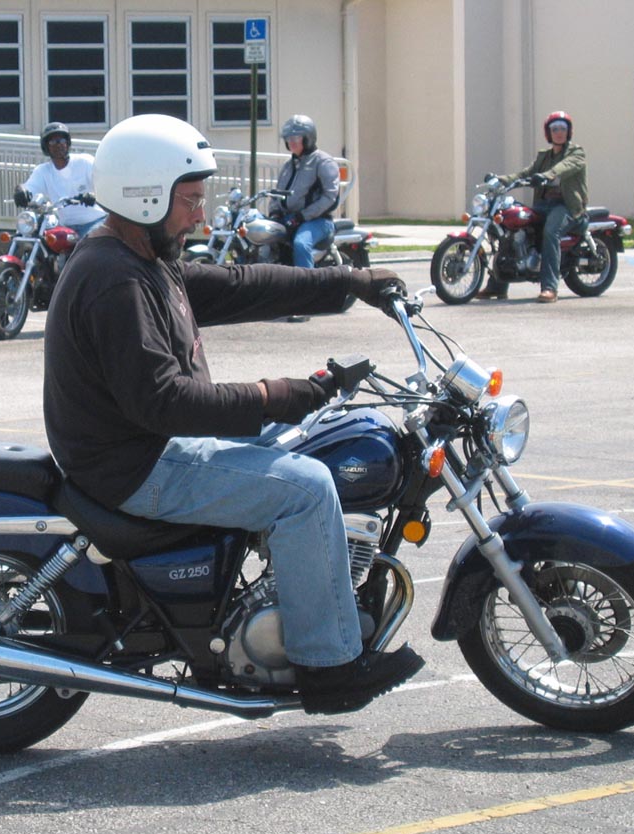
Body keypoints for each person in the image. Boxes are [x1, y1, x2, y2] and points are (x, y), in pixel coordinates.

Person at [43, 114, 425, 715]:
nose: (200, 216)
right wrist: (276, 394)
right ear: (146, 195)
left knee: (308, 438)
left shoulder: (140, 257)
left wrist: (348, 283)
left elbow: (239, 284)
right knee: (307, 489)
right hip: (136, 464)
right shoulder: (115, 280)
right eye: (191, 201)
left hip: (145, 444)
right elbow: (165, 402)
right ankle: (329, 666)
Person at [478, 110, 588, 304]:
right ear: (548, 132)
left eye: (563, 128)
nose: (559, 132)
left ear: (569, 131)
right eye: (555, 129)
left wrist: (546, 176)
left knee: (551, 232)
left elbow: (564, 167)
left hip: (566, 206)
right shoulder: (544, 157)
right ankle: (497, 285)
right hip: (543, 205)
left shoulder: (576, 153)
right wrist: (500, 179)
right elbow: (525, 173)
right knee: (509, 228)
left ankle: (550, 288)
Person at [269, 114, 341, 268]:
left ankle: (307, 281)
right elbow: (276, 194)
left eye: (296, 138)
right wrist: (274, 213)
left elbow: (330, 197)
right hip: (289, 219)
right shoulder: (289, 165)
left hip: (318, 221)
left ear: (308, 138)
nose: (291, 142)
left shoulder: (323, 162)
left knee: (301, 244)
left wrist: (302, 216)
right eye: (288, 138)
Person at [12, 122, 105, 238]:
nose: (58, 145)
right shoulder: (43, 171)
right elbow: (29, 188)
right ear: (46, 146)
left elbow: (105, 183)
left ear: (67, 143)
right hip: (66, 226)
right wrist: (20, 190)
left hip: (94, 222)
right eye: (53, 142)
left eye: (61, 140)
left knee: (88, 243)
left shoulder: (84, 162)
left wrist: (94, 195)